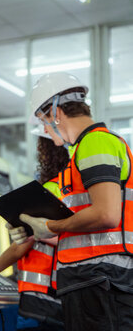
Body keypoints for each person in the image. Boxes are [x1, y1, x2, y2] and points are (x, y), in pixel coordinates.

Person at [17, 72, 133, 331]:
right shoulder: (82, 151)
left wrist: (50, 226)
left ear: (56, 112)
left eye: (44, 120)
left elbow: (106, 214)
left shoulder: (96, 142)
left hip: (103, 282)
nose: (46, 129)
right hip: (92, 281)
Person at [0, 134, 69, 330]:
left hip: (41, 303)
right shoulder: (69, 190)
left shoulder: (50, 189)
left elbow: (20, 248)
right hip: (62, 299)